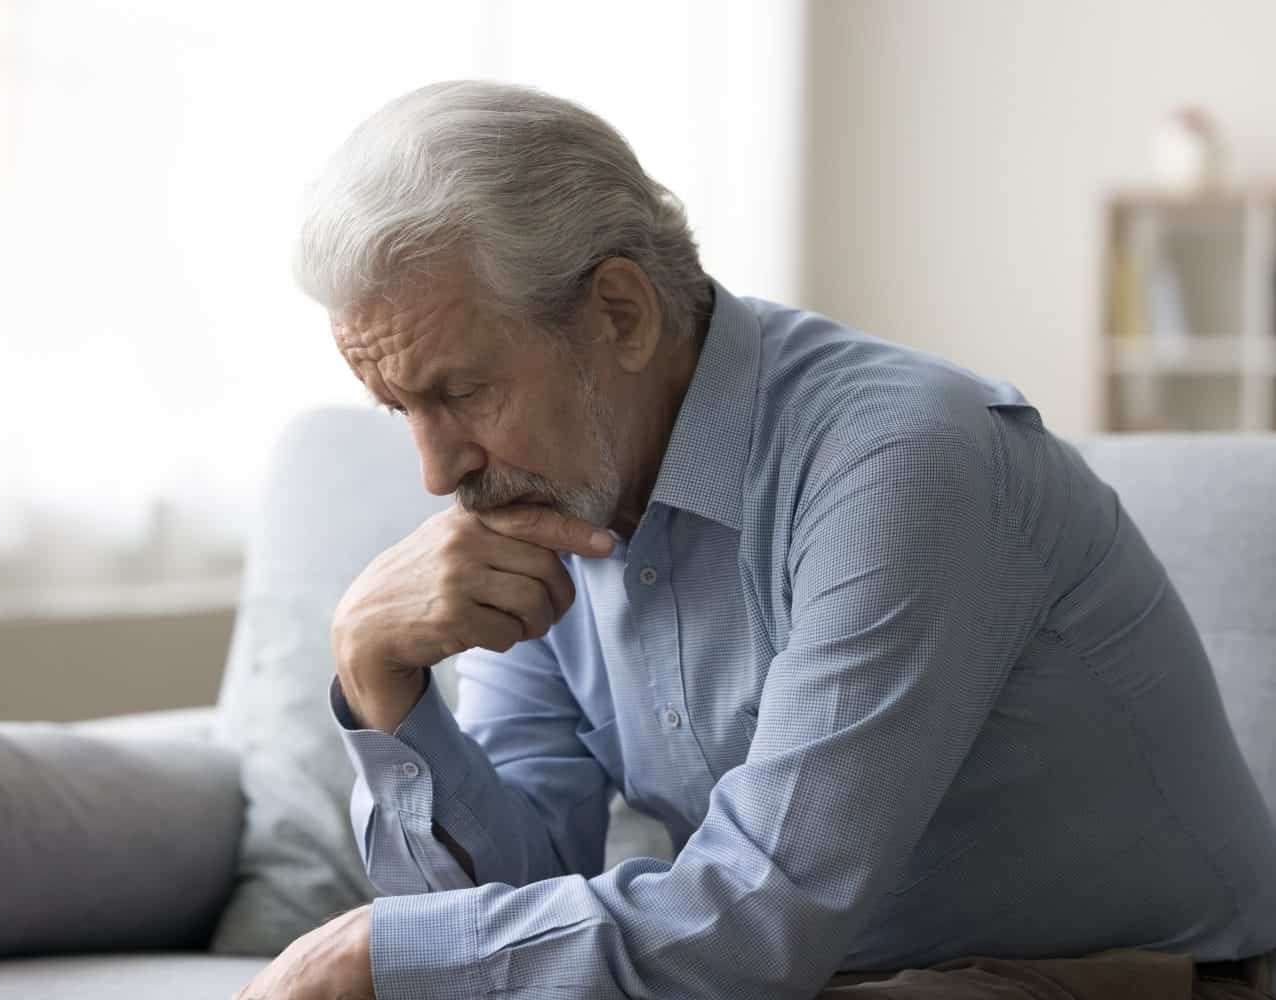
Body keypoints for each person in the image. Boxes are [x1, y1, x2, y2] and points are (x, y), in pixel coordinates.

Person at [233, 81, 1276, 1000]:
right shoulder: (545, 496)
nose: (435, 471)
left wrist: (381, 954)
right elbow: (521, 916)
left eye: (460, 391)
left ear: (621, 312)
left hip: (1135, 978)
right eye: (398, 409)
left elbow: (755, 920)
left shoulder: (902, 464)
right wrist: (380, 678)